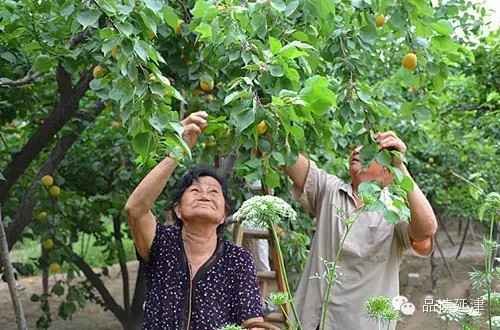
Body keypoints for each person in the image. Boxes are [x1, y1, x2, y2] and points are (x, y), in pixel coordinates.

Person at [284, 131, 438, 330]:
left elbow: (428, 228)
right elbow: (286, 154)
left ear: (387, 174)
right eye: (357, 147)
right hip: (313, 321)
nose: (356, 151)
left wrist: (400, 165)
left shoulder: (395, 211)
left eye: (369, 151)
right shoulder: (329, 190)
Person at [125, 111, 263, 329]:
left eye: (214, 192)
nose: (205, 195)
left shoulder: (237, 260)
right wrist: (176, 152)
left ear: (223, 215)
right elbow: (135, 209)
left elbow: (253, 322)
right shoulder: (161, 243)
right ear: (177, 209)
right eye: (195, 190)